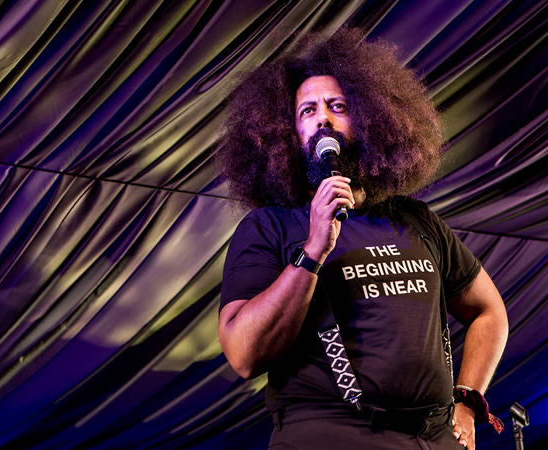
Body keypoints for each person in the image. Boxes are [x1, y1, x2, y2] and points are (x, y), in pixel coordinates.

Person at [216, 28, 508, 450]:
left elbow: (489, 311)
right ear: (288, 137)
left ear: (372, 119)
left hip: (433, 438)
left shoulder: (416, 218)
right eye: (307, 111)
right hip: (329, 435)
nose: (324, 118)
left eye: (338, 106)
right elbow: (243, 354)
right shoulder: (271, 226)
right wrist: (313, 248)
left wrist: (467, 399)